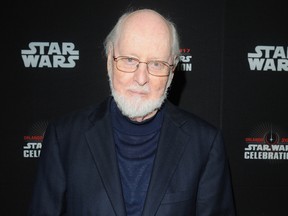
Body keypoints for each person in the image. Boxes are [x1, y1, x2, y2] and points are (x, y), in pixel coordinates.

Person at [28, 8, 236, 216]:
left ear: (171, 70)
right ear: (110, 60)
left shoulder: (205, 145)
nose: (141, 78)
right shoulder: (64, 138)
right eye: (129, 60)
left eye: (156, 64)